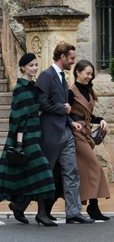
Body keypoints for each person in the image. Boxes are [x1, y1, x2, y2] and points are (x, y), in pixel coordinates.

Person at [0, 53, 57, 227]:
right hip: (25, 139)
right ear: (22, 68)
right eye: (31, 65)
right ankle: (42, 214)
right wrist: (20, 144)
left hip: (35, 136)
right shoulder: (20, 89)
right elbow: (17, 118)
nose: (34, 68)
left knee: (18, 178)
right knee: (44, 175)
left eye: (36, 64)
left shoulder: (33, 87)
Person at [35, 42, 94, 224]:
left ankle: (73, 212)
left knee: (71, 172)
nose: (73, 61)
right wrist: (62, 108)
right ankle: (30, 209)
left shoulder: (62, 77)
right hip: (51, 133)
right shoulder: (46, 76)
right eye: (71, 58)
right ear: (62, 57)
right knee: (47, 174)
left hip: (66, 131)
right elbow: (41, 103)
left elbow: (65, 109)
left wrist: (71, 122)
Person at [68, 59, 110, 220]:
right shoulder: (71, 91)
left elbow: (88, 115)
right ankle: (93, 206)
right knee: (95, 167)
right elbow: (66, 113)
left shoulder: (88, 90)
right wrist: (73, 124)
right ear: (78, 72)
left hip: (86, 133)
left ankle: (92, 206)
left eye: (91, 74)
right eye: (87, 73)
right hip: (76, 134)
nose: (90, 77)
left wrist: (100, 120)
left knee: (85, 171)